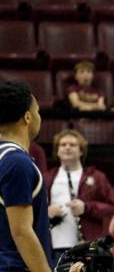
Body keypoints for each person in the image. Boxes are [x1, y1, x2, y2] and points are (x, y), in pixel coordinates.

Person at [45, 129, 114, 264]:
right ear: (57, 151)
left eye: (72, 145)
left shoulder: (97, 177)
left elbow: (113, 206)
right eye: (63, 144)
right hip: (54, 245)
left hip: (86, 246)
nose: (67, 147)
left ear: (81, 151)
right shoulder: (47, 177)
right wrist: (47, 211)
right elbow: (32, 208)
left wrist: (86, 207)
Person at [0, 81, 52, 272]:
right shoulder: (17, 162)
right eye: (38, 112)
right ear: (28, 117)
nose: (39, 117)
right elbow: (21, 232)